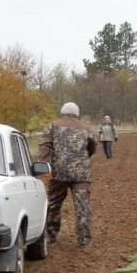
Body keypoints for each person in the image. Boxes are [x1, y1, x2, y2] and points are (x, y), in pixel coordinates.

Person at [37, 102, 97, 249]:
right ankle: (84, 241)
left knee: (53, 204)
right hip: (81, 174)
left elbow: (45, 146)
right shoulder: (86, 128)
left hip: (59, 173)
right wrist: (82, 159)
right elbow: (93, 147)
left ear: (62, 112)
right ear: (77, 113)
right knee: (83, 207)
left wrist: (43, 167)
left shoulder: (53, 125)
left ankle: (51, 236)